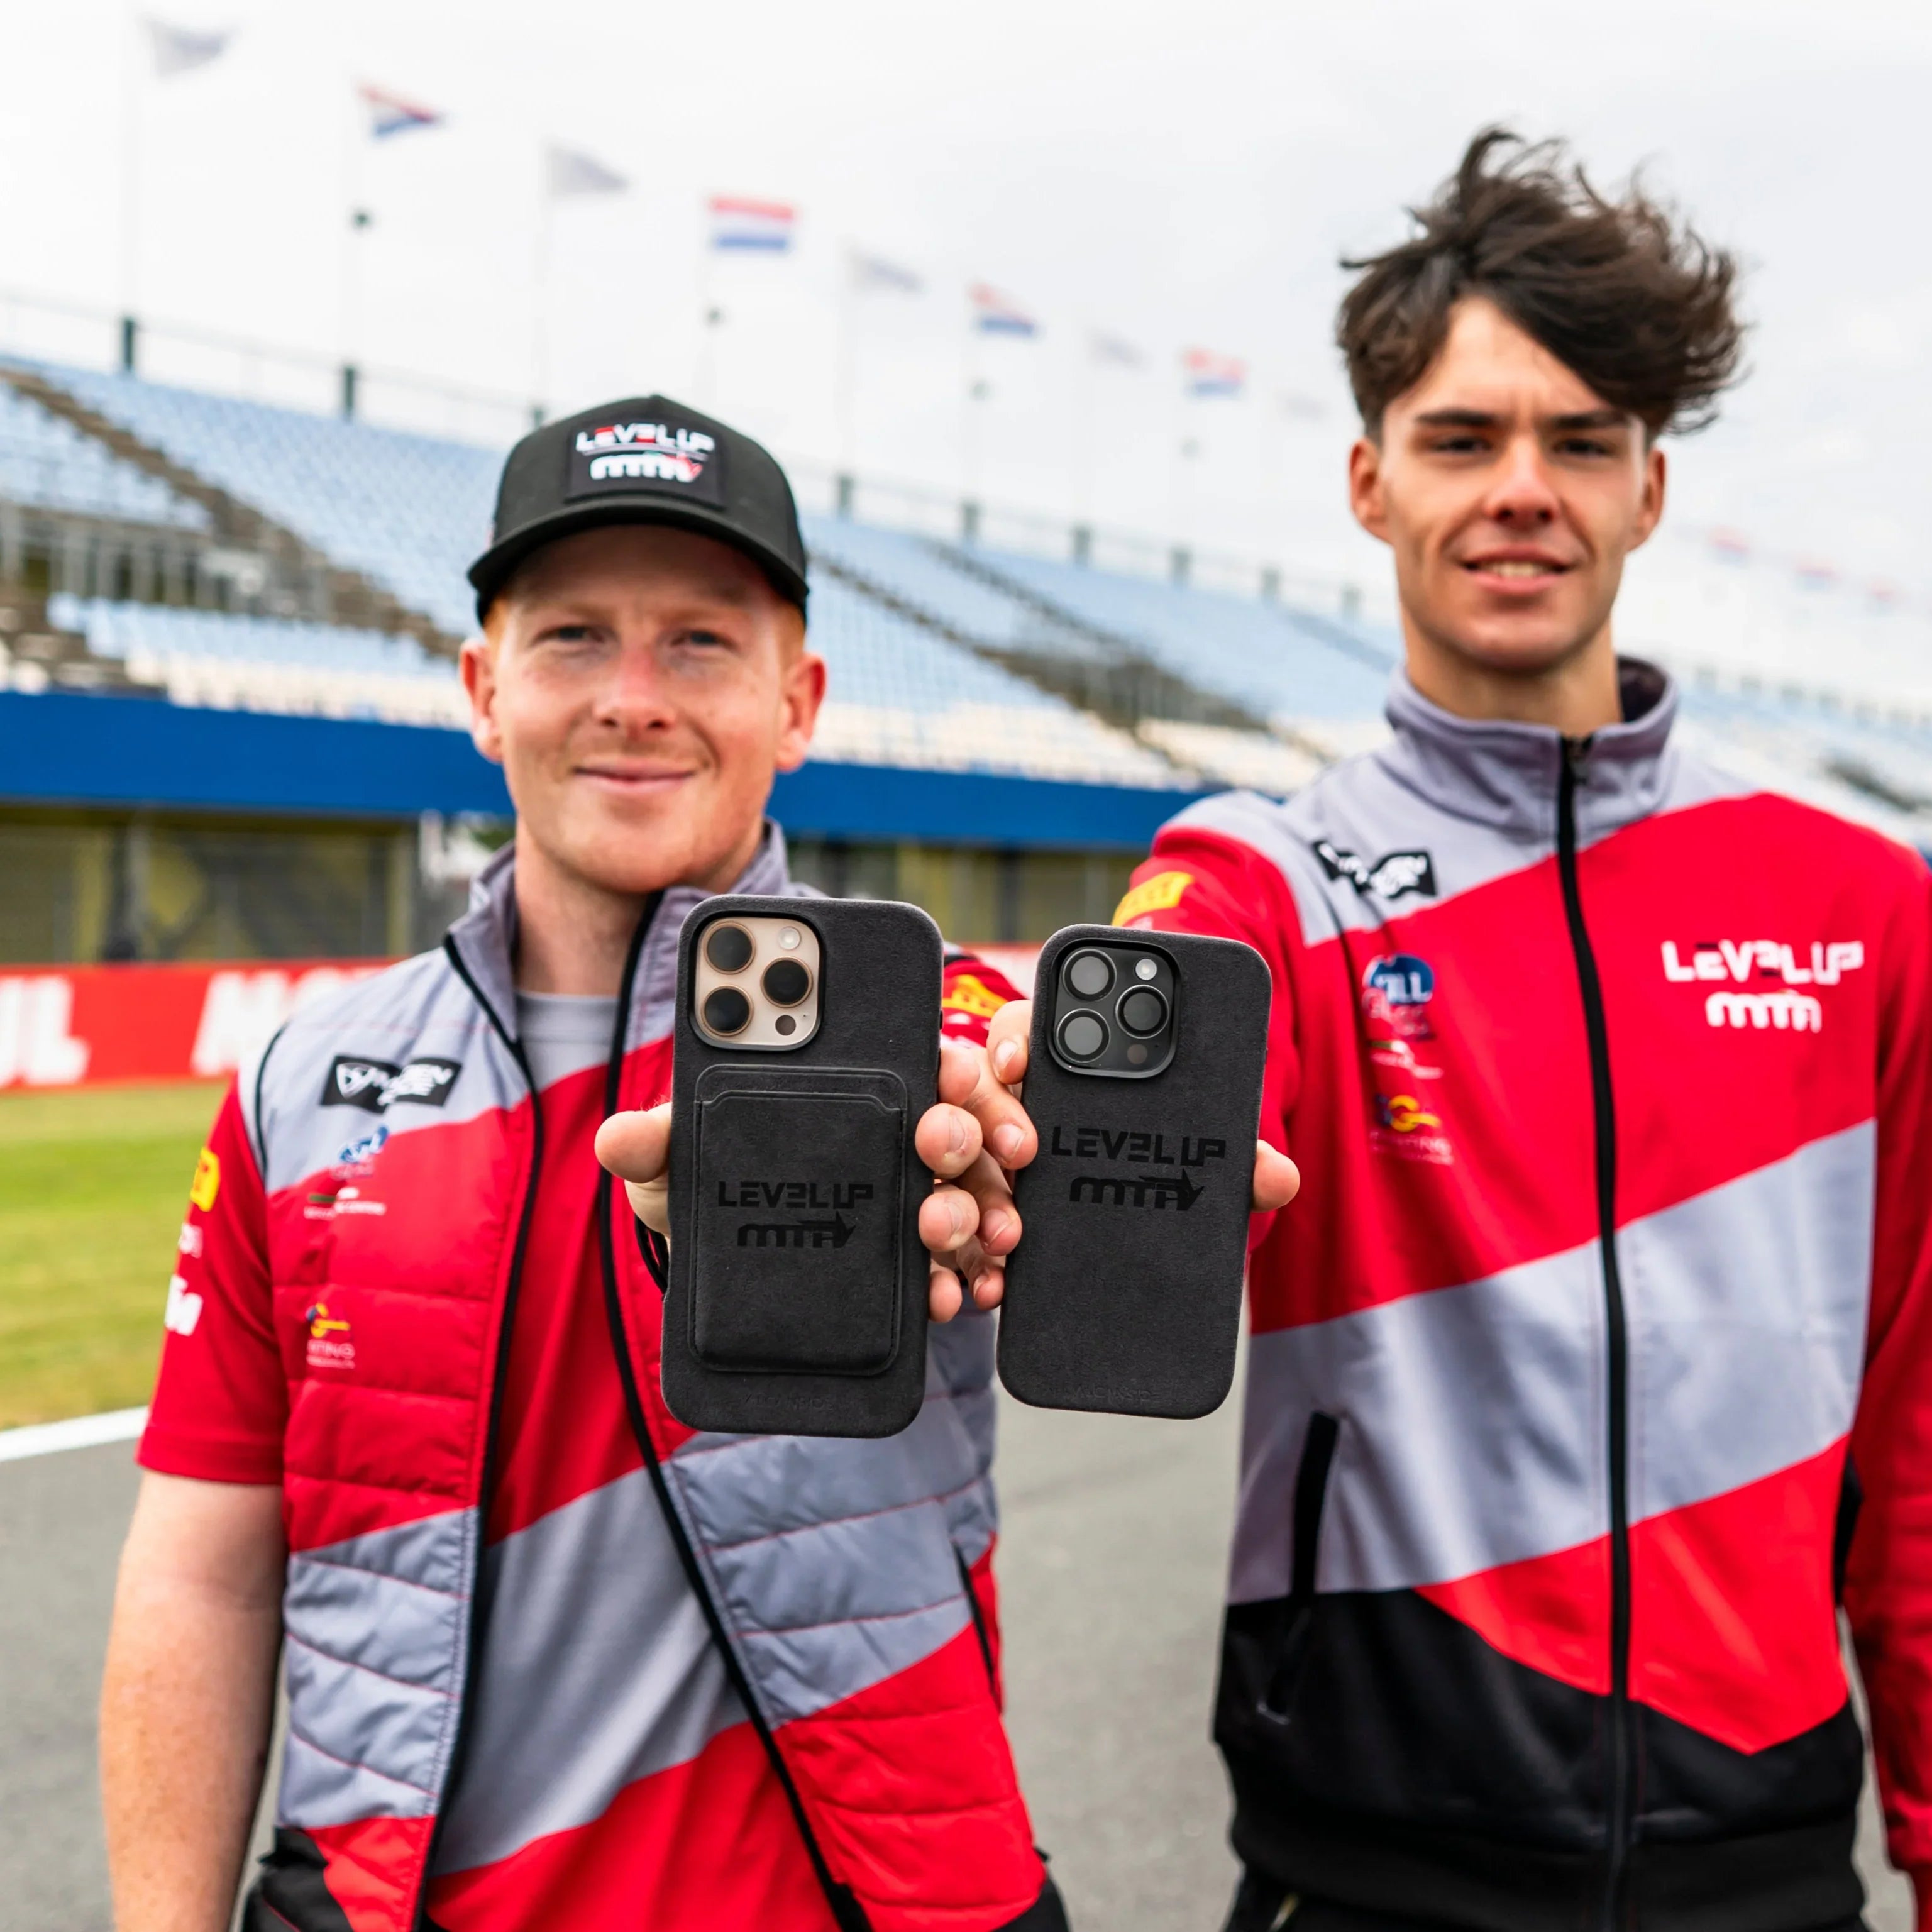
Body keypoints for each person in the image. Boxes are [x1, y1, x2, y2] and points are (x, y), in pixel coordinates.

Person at [931, 131, 1932, 1928]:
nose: (1521, 490)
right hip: (1366, 1867)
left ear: (1650, 489)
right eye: (1462, 439)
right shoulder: (1262, 878)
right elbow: (1086, 1032)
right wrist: (965, 1065)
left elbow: (1925, 1447)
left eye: (1580, 442)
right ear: (1369, 480)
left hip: (1771, 1863)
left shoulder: (1866, 905)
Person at [99, 396, 1069, 1932]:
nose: (633, 698)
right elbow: (200, 1570)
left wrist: (1003, 1156)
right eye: (571, 639)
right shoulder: (301, 1081)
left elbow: (1045, 1155)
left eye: (699, 643)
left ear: (798, 702)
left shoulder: (937, 1030)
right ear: (483, 690)